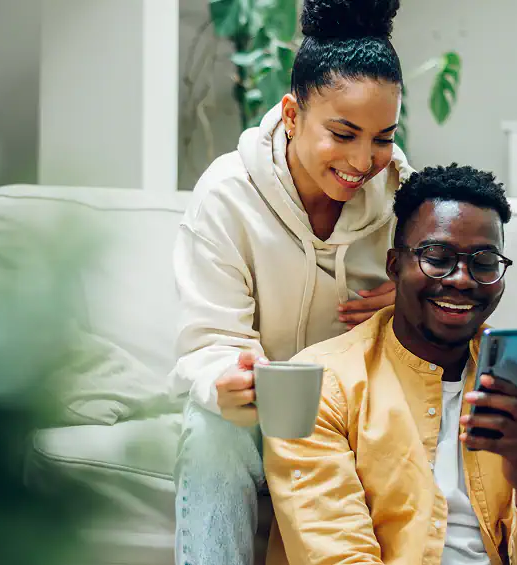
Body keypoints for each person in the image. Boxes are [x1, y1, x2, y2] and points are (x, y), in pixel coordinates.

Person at [262, 163, 517, 564]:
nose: (463, 279)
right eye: (438, 256)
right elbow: (336, 555)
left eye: (484, 261)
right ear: (395, 266)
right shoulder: (320, 383)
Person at [170, 0, 415, 563]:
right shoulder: (227, 196)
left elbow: (452, 305)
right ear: (291, 114)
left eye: (383, 137)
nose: (364, 159)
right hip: (256, 420)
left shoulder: (407, 198)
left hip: (357, 418)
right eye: (344, 133)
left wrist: (408, 304)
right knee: (212, 434)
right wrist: (225, 380)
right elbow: (209, 340)